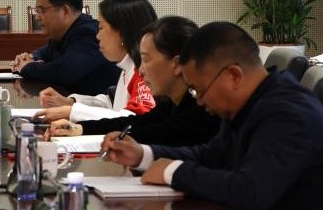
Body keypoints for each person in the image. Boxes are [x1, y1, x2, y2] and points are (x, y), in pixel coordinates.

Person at [102, 21, 323, 210]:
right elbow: (212, 155)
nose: (199, 101)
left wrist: (173, 171)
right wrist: (143, 155)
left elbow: (250, 192)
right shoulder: (250, 102)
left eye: (199, 90)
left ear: (233, 76)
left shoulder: (288, 114)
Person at [48, 16, 221, 147]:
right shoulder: (172, 102)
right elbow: (137, 122)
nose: (142, 69)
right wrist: (81, 128)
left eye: (146, 59)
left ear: (176, 64)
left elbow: (156, 132)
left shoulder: (201, 109)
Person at [35, 0, 157, 122]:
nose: (97, 36)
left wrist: (73, 112)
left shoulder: (142, 72)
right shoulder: (128, 66)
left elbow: (134, 119)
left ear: (122, 33)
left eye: (101, 28)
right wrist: (70, 102)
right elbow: (113, 104)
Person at [12, 0, 119, 95]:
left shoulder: (88, 33)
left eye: (41, 10)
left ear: (64, 11)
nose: (37, 17)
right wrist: (31, 57)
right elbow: (46, 51)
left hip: (101, 105)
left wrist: (26, 67)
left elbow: (63, 73)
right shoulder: (65, 32)